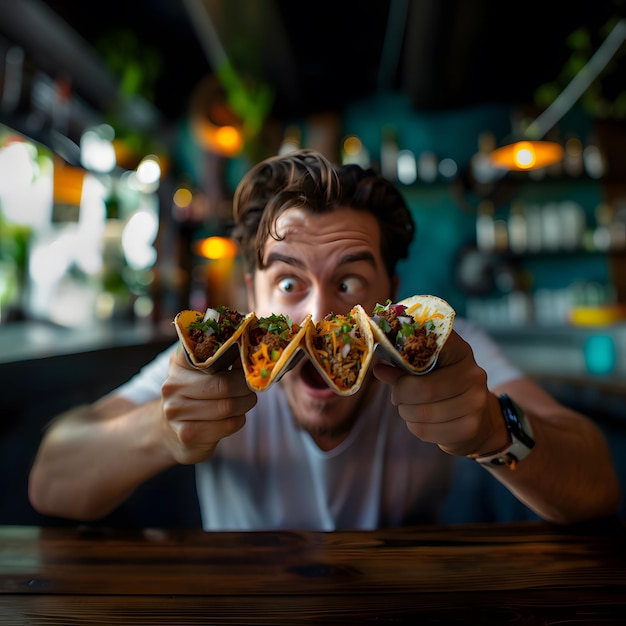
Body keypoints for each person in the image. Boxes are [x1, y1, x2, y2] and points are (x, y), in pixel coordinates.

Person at [28, 149, 620, 530]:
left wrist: (494, 428)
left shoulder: (442, 354)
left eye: (351, 281)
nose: (316, 315)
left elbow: (597, 486)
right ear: (250, 298)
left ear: (393, 293)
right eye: (288, 282)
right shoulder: (213, 362)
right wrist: (158, 429)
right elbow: (51, 479)